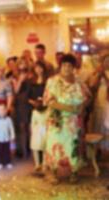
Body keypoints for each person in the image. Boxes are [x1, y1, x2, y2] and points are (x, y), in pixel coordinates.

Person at [43, 54, 86, 184]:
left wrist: (81, 107)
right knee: (54, 146)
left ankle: (74, 172)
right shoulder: (53, 81)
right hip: (57, 120)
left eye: (70, 65)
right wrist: (69, 108)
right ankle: (53, 173)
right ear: (60, 66)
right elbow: (48, 101)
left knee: (72, 146)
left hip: (73, 121)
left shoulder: (78, 81)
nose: (67, 68)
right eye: (64, 65)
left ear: (73, 67)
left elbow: (87, 97)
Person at [28, 61, 48, 173]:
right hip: (35, 109)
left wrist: (44, 102)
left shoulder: (48, 81)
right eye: (36, 68)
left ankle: (45, 162)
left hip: (46, 108)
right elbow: (28, 96)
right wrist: (35, 103)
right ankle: (37, 163)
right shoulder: (31, 81)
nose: (38, 70)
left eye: (40, 67)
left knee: (45, 138)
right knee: (36, 138)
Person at [0, 103, 15, 170]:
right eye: (0, 110)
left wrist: (12, 137)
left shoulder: (9, 120)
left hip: (7, 139)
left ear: (6, 111)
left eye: (3, 110)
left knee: (7, 151)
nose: (2, 111)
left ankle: (8, 162)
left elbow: (11, 129)